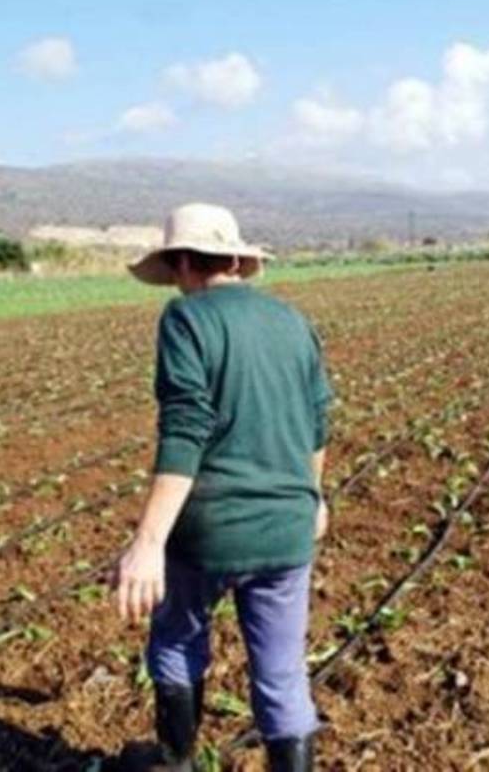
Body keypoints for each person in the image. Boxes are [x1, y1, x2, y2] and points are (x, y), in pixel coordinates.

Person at [114, 203, 333, 772]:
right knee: (283, 673)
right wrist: (314, 497)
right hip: (287, 527)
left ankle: (177, 763)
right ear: (237, 260)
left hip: (208, 529)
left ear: (182, 263)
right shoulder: (294, 323)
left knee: (177, 643)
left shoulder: (186, 321)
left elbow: (186, 429)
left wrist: (148, 542)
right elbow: (316, 424)